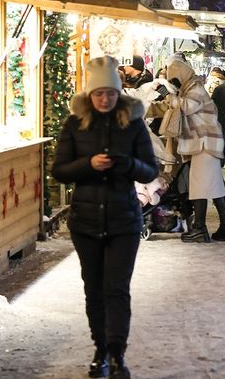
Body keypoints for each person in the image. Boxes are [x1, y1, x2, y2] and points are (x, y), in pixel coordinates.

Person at [52, 57, 158, 379]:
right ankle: (100, 349)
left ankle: (117, 354)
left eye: (110, 93)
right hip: (85, 221)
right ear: (90, 94)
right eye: (98, 94)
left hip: (124, 219)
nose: (104, 99)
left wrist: (125, 164)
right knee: (93, 289)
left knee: (117, 289)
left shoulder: (133, 123)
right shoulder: (75, 124)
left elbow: (150, 169)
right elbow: (58, 171)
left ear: (118, 91)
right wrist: (88, 165)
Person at [163, 56, 225, 243]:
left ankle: (200, 228)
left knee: (200, 187)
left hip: (205, 143)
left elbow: (186, 107)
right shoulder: (190, 88)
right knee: (214, 186)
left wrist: (168, 95)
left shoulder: (195, 89)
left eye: (175, 79)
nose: (174, 83)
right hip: (205, 143)